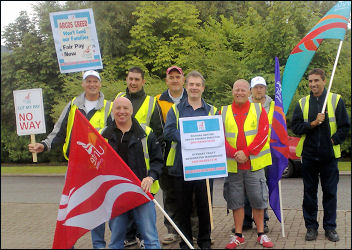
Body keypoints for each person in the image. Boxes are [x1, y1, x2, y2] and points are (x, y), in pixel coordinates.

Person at [27, 70, 113, 249]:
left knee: (96, 209)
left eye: (95, 81)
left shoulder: (109, 107)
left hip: (97, 168)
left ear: (100, 84)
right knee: (71, 208)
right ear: (83, 84)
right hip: (75, 167)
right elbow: (58, 131)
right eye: (88, 81)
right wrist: (43, 145)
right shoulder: (73, 105)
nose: (92, 84)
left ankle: (98, 245)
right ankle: (68, 244)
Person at [108, 66, 164, 247]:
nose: (122, 111)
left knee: (150, 237)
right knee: (117, 239)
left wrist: (152, 176)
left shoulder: (147, 132)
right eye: (118, 108)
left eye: (126, 108)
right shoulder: (104, 135)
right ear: (113, 111)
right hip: (117, 192)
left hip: (143, 189)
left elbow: (157, 157)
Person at [291, 68, 350, 242]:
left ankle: (330, 228)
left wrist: (333, 141)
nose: (313, 84)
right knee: (309, 193)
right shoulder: (302, 103)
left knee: (330, 193)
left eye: (316, 80)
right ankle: (311, 227)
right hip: (309, 156)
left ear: (324, 81)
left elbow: (345, 126)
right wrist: (313, 123)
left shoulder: (335, 100)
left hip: (329, 156)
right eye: (310, 81)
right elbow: (296, 127)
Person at [164, 70, 217, 249]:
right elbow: (168, 132)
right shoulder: (175, 109)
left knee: (204, 205)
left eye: (198, 85)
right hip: (181, 167)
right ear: (186, 87)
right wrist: (191, 137)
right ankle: (186, 241)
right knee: (183, 208)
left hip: (205, 166)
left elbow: (218, 135)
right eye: (191, 84)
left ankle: (204, 240)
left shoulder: (212, 110)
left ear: (203, 88)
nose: (194, 88)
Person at [221, 79, 273, 249]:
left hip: (254, 165)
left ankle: (260, 234)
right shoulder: (223, 111)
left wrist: (247, 152)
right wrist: (234, 153)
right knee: (236, 202)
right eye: (237, 89)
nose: (240, 93)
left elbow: (264, 134)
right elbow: (219, 137)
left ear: (249, 92)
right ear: (232, 92)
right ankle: (238, 235)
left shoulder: (258, 110)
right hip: (233, 165)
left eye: (243, 90)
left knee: (258, 200)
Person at [155, 65, 188, 245]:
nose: (175, 80)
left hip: (189, 155)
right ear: (166, 80)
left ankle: (193, 229)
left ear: (183, 79)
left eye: (178, 76)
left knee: (190, 193)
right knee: (170, 193)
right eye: (171, 77)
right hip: (166, 154)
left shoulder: (192, 97)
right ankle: (172, 230)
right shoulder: (157, 100)